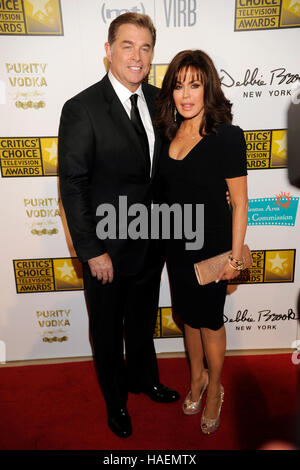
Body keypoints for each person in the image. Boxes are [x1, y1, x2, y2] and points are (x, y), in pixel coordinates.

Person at [58, 13, 179, 439]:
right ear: (109, 50)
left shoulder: (161, 99)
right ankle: (115, 401)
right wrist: (91, 250)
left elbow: (174, 166)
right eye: (128, 45)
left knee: (143, 321)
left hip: (152, 242)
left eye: (146, 48)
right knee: (108, 332)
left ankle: (144, 379)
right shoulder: (82, 108)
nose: (137, 56)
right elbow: (73, 187)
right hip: (106, 250)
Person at [155, 49, 248, 434]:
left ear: (208, 86)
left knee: (209, 322)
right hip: (176, 247)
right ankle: (197, 379)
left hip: (212, 250)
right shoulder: (167, 133)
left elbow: (240, 203)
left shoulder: (227, 136)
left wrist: (234, 259)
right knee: (188, 319)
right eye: (178, 86)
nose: (186, 94)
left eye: (194, 84)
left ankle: (215, 390)